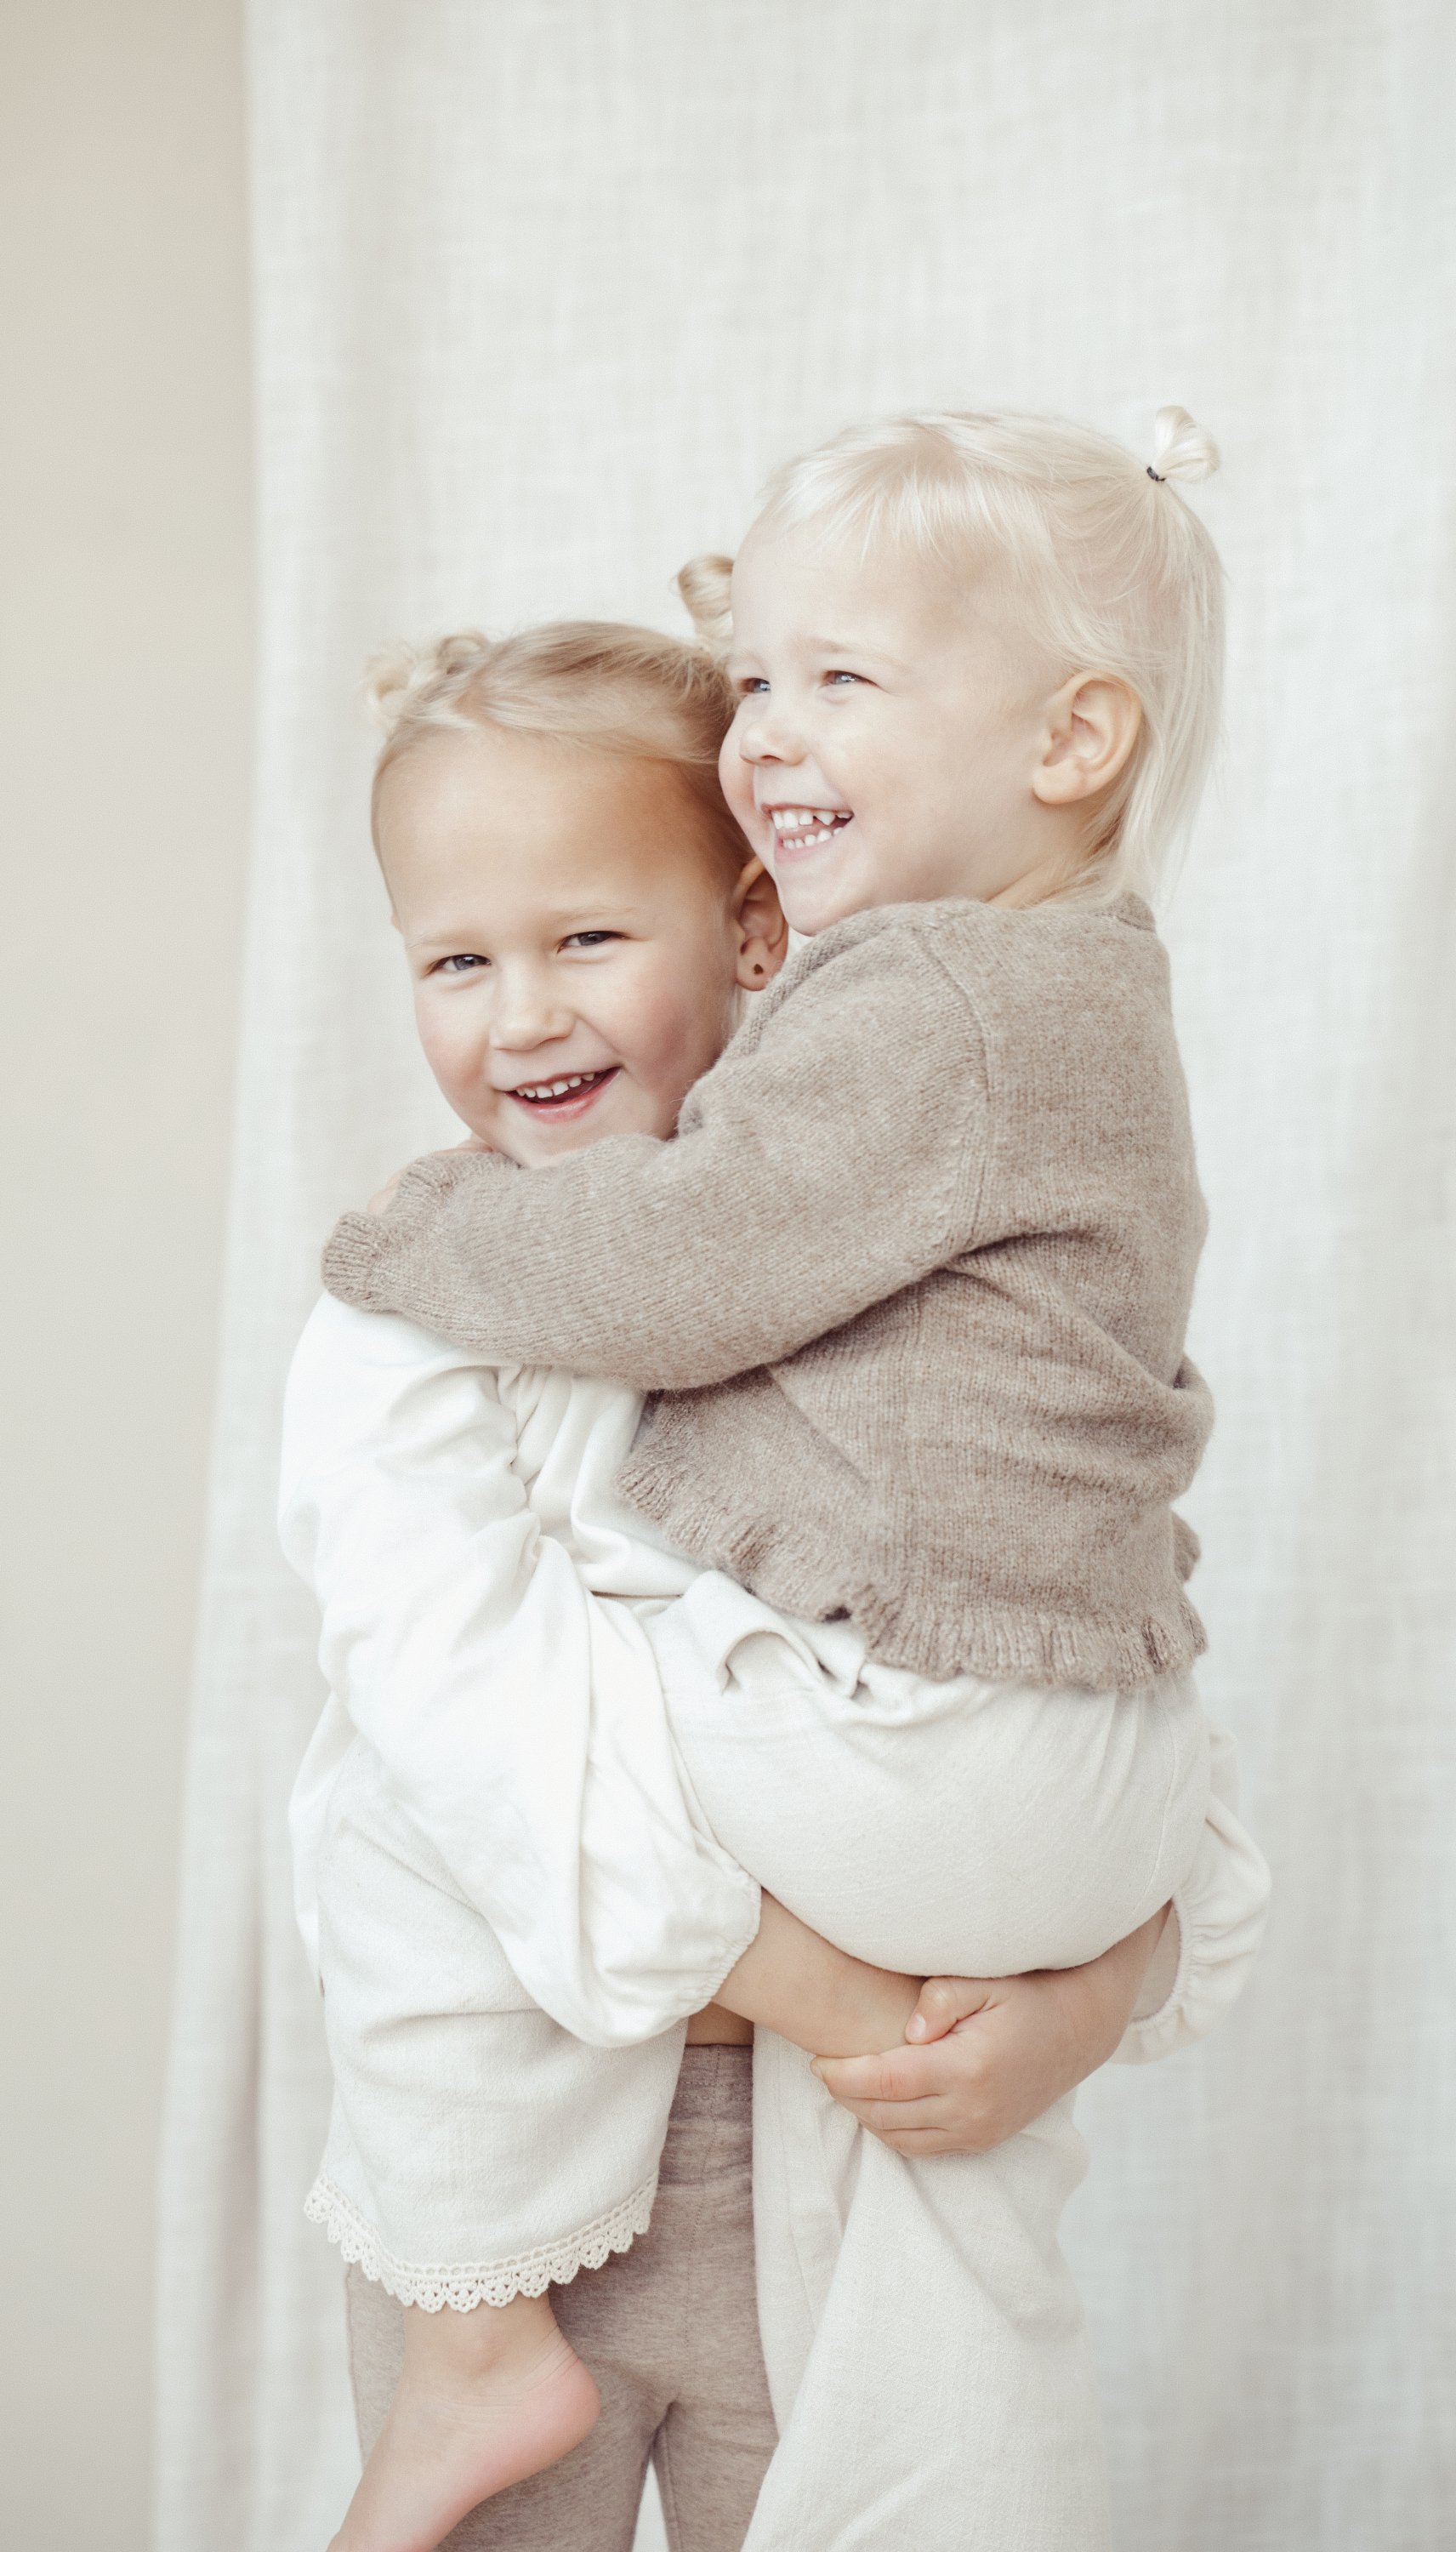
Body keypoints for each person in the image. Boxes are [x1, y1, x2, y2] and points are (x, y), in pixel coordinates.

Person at [288, 407, 1269, 2552]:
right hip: (546, 2216)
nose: (521, 1017)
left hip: (842, 2181)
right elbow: (483, 1744)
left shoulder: (831, 1155)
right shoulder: (417, 1346)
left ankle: (476, 2363)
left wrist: (1090, 1991)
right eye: (456, 959)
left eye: (592, 940)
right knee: (398, 1767)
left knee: (379, 1805)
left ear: (757, 933)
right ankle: (471, 2360)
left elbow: (1088, 1737)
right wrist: (852, 1985)